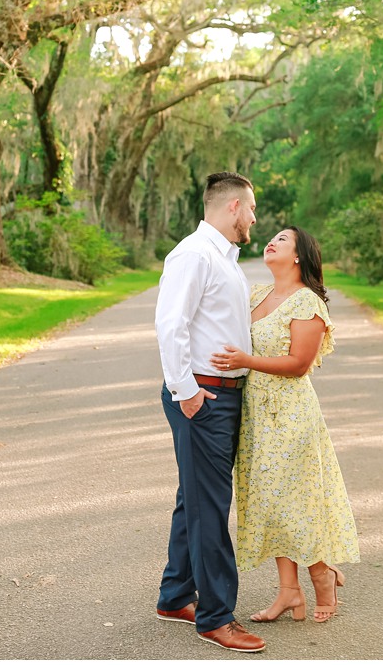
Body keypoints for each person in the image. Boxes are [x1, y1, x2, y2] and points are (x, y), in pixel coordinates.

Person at [211, 226, 360, 624]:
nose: (272, 241)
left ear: (298, 256)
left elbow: (298, 365)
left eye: (283, 239)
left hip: (291, 415)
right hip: (256, 415)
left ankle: (322, 577)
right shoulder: (257, 294)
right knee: (269, 502)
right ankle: (289, 593)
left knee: (297, 500)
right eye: (272, 236)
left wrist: (246, 360)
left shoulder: (307, 303)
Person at [153, 172, 266, 653]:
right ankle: (216, 618)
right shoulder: (194, 255)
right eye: (253, 210)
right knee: (209, 508)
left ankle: (177, 595)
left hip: (222, 394)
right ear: (234, 207)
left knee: (195, 500)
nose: (256, 219)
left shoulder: (226, 261)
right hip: (204, 397)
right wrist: (188, 392)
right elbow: (170, 324)